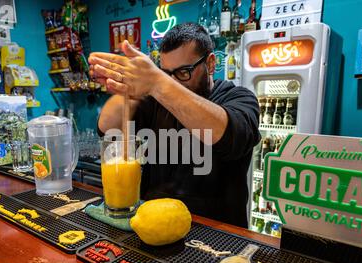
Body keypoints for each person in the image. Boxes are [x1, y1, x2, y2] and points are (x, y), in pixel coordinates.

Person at [89, 23, 260, 228]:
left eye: (183, 72)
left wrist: (158, 83)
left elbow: (230, 135)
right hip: (152, 227)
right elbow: (107, 128)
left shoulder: (239, 98)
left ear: (211, 63)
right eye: (166, 73)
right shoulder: (156, 100)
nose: (173, 83)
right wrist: (131, 87)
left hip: (217, 237)